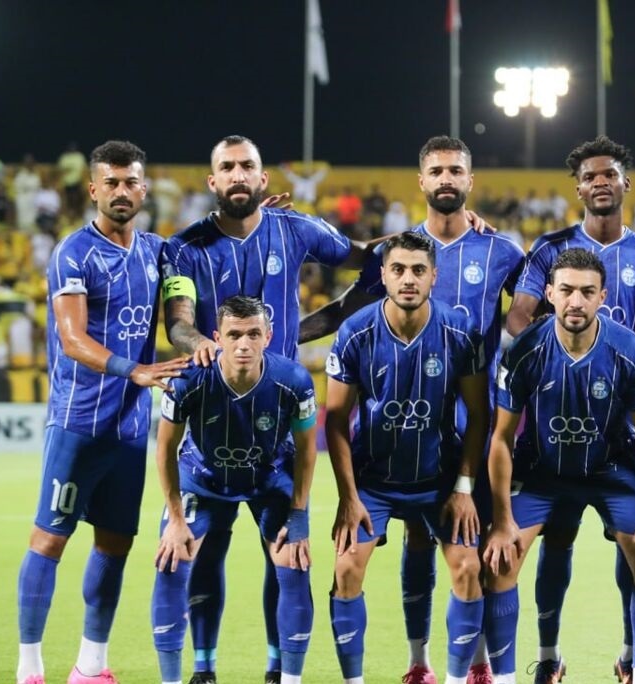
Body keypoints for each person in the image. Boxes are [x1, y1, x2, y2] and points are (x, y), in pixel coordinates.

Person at [302, 135, 524, 684]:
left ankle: (480, 665)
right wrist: (276, 339)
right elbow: (343, 311)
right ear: (421, 181)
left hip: (472, 432)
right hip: (398, 436)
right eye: (437, 171)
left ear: (469, 180)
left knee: (481, 556)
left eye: (455, 171)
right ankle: (420, 661)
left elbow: (539, 309)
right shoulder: (396, 254)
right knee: (419, 543)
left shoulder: (502, 252)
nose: (446, 179)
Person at [504, 136, 635, 682]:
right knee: (555, 540)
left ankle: (630, 655)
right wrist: (549, 359)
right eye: (590, 176)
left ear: (626, 184)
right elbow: (519, 315)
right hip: (554, 426)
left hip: (620, 432)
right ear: (578, 188)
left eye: (610, 175)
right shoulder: (549, 249)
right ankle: (548, 657)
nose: (600, 182)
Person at [159, 134, 363, 684]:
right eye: (227, 167)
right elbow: (178, 321)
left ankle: (278, 670)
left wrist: (438, 234)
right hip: (212, 425)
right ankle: (203, 669)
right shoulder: (184, 247)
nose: (237, 175)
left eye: (246, 165)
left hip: (277, 435)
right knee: (201, 555)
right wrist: (203, 345)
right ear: (213, 181)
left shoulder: (293, 228)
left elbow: (370, 259)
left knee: (287, 555)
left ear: (263, 177)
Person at [16, 140, 189, 684]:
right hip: (79, 422)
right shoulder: (73, 253)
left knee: (115, 543)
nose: (121, 191)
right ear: (93, 189)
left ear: (144, 189)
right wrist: (133, 370)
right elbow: (71, 339)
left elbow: (198, 262)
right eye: (111, 182)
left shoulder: (159, 252)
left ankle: (91, 665)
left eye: (130, 181)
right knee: (49, 538)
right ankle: (29, 667)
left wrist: (261, 217)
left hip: (131, 428)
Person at [483, 248, 635, 684]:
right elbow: (502, 438)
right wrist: (502, 521)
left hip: (611, 470)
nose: (576, 301)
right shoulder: (525, 350)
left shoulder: (630, 351)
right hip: (544, 472)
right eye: (566, 290)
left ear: (603, 296)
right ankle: (535, 665)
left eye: (587, 292)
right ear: (549, 294)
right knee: (500, 561)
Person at [324, 231, 490, 684]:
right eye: (398, 269)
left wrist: (464, 489)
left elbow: (479, 415)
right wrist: (348, 497)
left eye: (418, 270)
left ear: (434, 276)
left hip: (438, 479)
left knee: (468, 568)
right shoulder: (355, 332)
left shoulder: (460, 333)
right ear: (383, 275)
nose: (408, 279)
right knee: (346, 568)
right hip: (374, 481)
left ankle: (452, 677)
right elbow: (335, 421)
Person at [151, 296, 318, 684]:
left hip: (270, 479)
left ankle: (284, 675)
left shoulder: (294, 380)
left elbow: (308, 451)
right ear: (217, 337)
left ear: (268, 337)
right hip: (203, 479)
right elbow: (164, 450)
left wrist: (298, 515)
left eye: (254, 334)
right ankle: (193, 673)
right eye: (234, 335)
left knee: (293, 562)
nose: (244, 344)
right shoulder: (188, 379)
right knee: (172, 560)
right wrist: (175, 519)